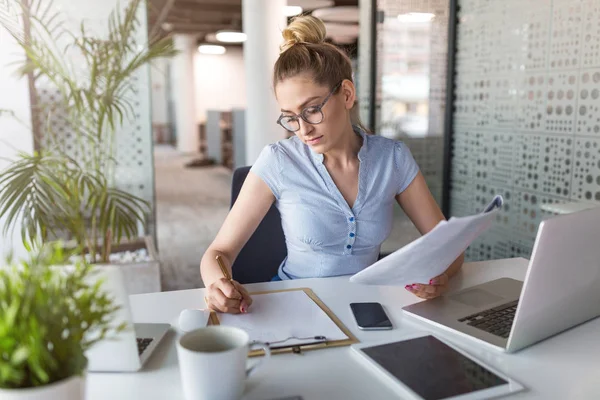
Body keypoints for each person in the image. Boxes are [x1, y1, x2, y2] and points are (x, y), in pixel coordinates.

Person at [200, 15, 464, 314]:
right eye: (290, 116)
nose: (302, 129)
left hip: (368, 307)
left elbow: (449, 247)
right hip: (296, 304)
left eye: (312, 110)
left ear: (347, 95)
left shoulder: (392, 158)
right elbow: (217, 253)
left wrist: (441, 275)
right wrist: (217, 285)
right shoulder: (279, 160)